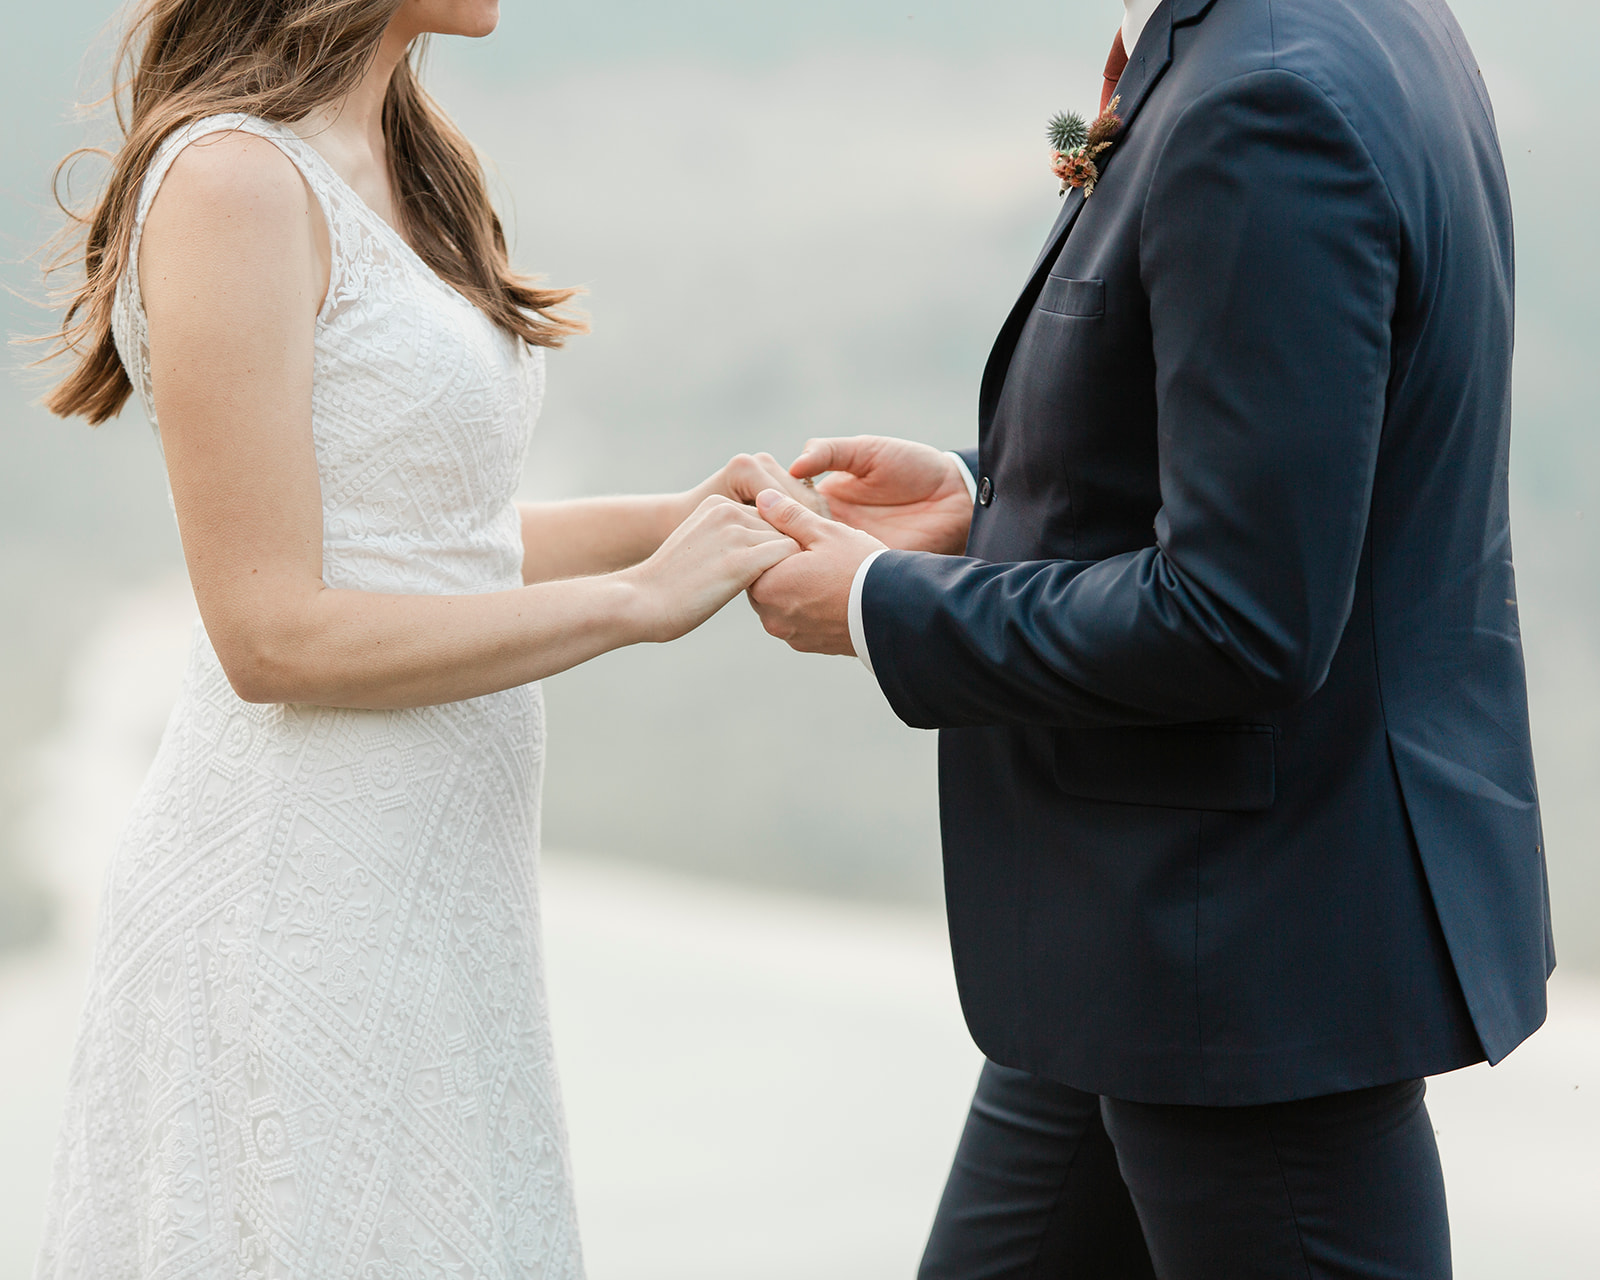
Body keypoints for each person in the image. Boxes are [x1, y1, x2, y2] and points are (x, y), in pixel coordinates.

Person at [747, 0, 1552, 1275]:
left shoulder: (1264, 96)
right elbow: (1275, 458)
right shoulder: (1354, 20)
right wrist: (989, 501)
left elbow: (1239, 618)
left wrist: (872, 606)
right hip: (1137, 932)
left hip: (1241, 954)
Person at [32, 1, 813, 1275]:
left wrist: (684, 519)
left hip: (440, 892)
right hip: (294, 901)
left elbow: (430, 536)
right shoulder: (231, 178)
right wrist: (635, 605)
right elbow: (270, 634)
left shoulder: (410, 152)